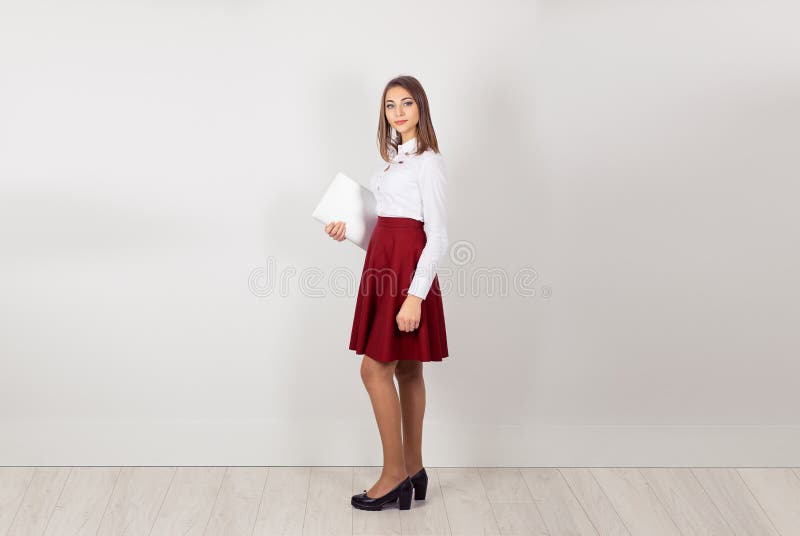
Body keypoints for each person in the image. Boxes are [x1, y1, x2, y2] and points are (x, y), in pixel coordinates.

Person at [324, 75, 449, 511]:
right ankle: (414, 469)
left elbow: (437, 237)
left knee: (373, 370)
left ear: (421, 109)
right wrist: (350, 229)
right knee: (408, 371)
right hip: (384, 266)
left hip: (406, 276)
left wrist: (415, 296)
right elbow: (385, 229)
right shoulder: (390, 165)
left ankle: (394, 474)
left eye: (407, 103)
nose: (398, 112)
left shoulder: (427, 162)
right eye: (390, 105)